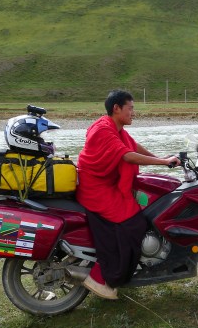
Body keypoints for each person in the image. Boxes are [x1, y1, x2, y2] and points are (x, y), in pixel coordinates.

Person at [71, 90, 180, 299]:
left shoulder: (115, 128)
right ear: (116, 108)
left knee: (137, 212)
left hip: (106, 185)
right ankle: (100, 276)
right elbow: (128, 155)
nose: (133, 113)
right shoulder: (103, 130)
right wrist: (163, 162)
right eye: (130, 108)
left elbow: (132, 145)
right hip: (95, 189)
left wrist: (161, 157)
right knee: (134, 223)